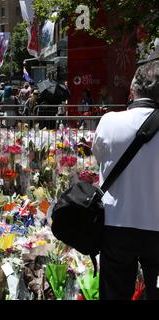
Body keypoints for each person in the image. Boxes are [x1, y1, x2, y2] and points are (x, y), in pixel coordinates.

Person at [92, 60, 159, 300]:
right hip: (156, 226)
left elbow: (98, 157)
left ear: (133, 90)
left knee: (115, 293)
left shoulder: (110, 121)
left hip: (117, 222)